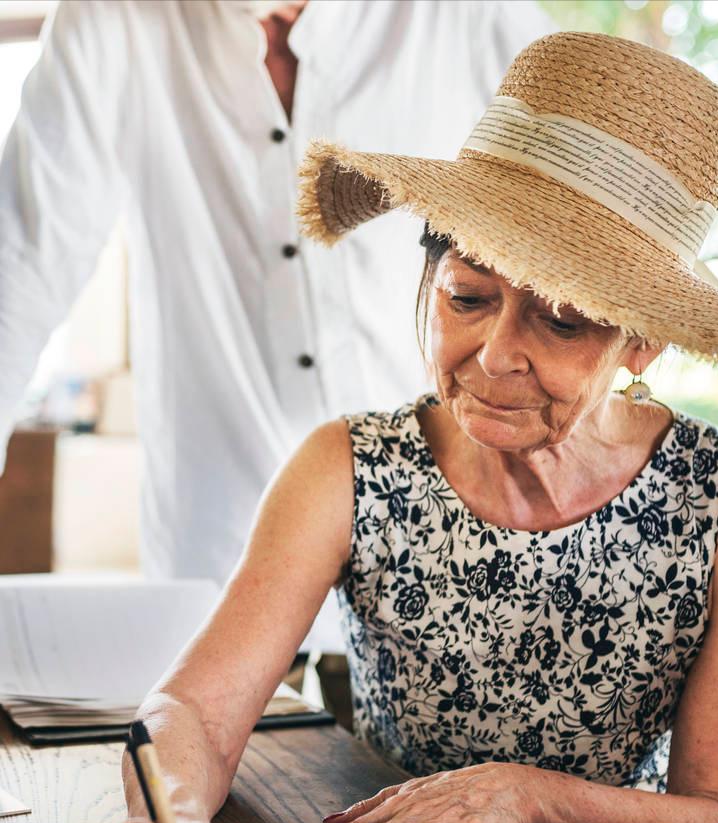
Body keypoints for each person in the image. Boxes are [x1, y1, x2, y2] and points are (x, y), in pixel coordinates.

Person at [88, 31, 718, 823]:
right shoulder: (350, 466)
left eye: (561, 319)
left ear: (640, 342)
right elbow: (192, 712)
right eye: (466, 297)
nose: (493, 356)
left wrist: (525, 797)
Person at [0, 0, 553, 650]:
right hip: (218, 561)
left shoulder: (466, 13)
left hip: (444, 558)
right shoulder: (110, 18)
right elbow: (19, 272)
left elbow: (580, 224)